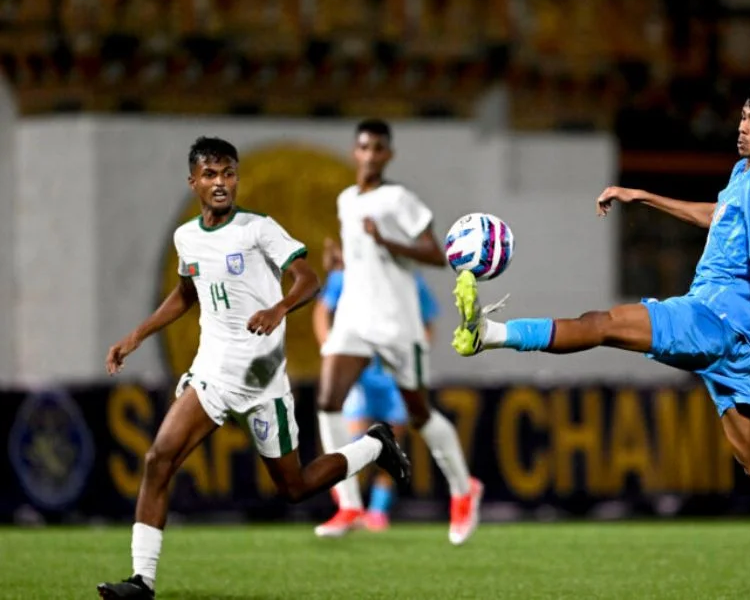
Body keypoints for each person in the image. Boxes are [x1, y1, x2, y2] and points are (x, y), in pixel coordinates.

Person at [453, 81, 750, 598]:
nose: (743, 126)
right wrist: (643, 196)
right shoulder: (747, 172)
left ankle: (489, 334)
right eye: (744, 117)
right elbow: (719, 217)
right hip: (731, 336)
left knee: (604, 324)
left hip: (714, 318)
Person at [98, 137, 409, 599]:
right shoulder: (187, 238)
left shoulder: (258, 229)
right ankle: (142, 580)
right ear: (194, 182)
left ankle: (372, 446)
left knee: (295, 487)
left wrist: (280, 308)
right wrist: (137, 335)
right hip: (212, 374)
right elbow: (187, 292)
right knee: (158, 459)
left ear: (236, 177)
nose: (220, 183)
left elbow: (308, 277)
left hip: (263, 381)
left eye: (228, 173)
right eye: (210, 175)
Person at [316, 119, 482, 544]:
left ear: (388, 155)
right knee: (327, 402)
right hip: (354, 316)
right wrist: (341, 263)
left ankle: (464, 490)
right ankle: (350, 503)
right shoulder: (345, 200)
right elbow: (363, 260)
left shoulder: (398, 199)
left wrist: (387, 241)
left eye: (378, 149)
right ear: (356, 152)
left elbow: (435, 254)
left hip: (396, 322)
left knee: (419, 414)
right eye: (364, 147)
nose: (370, 155)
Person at [313, 237, 442, 532]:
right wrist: (330, 347)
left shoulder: (409, 279)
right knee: (353, 440)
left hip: (393, 376)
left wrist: (416, 356)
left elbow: (428, 320)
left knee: (391, 444)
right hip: (359, 374)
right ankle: (350, 504)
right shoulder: (346, 277)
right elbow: (322, 311)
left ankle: (377, 512)